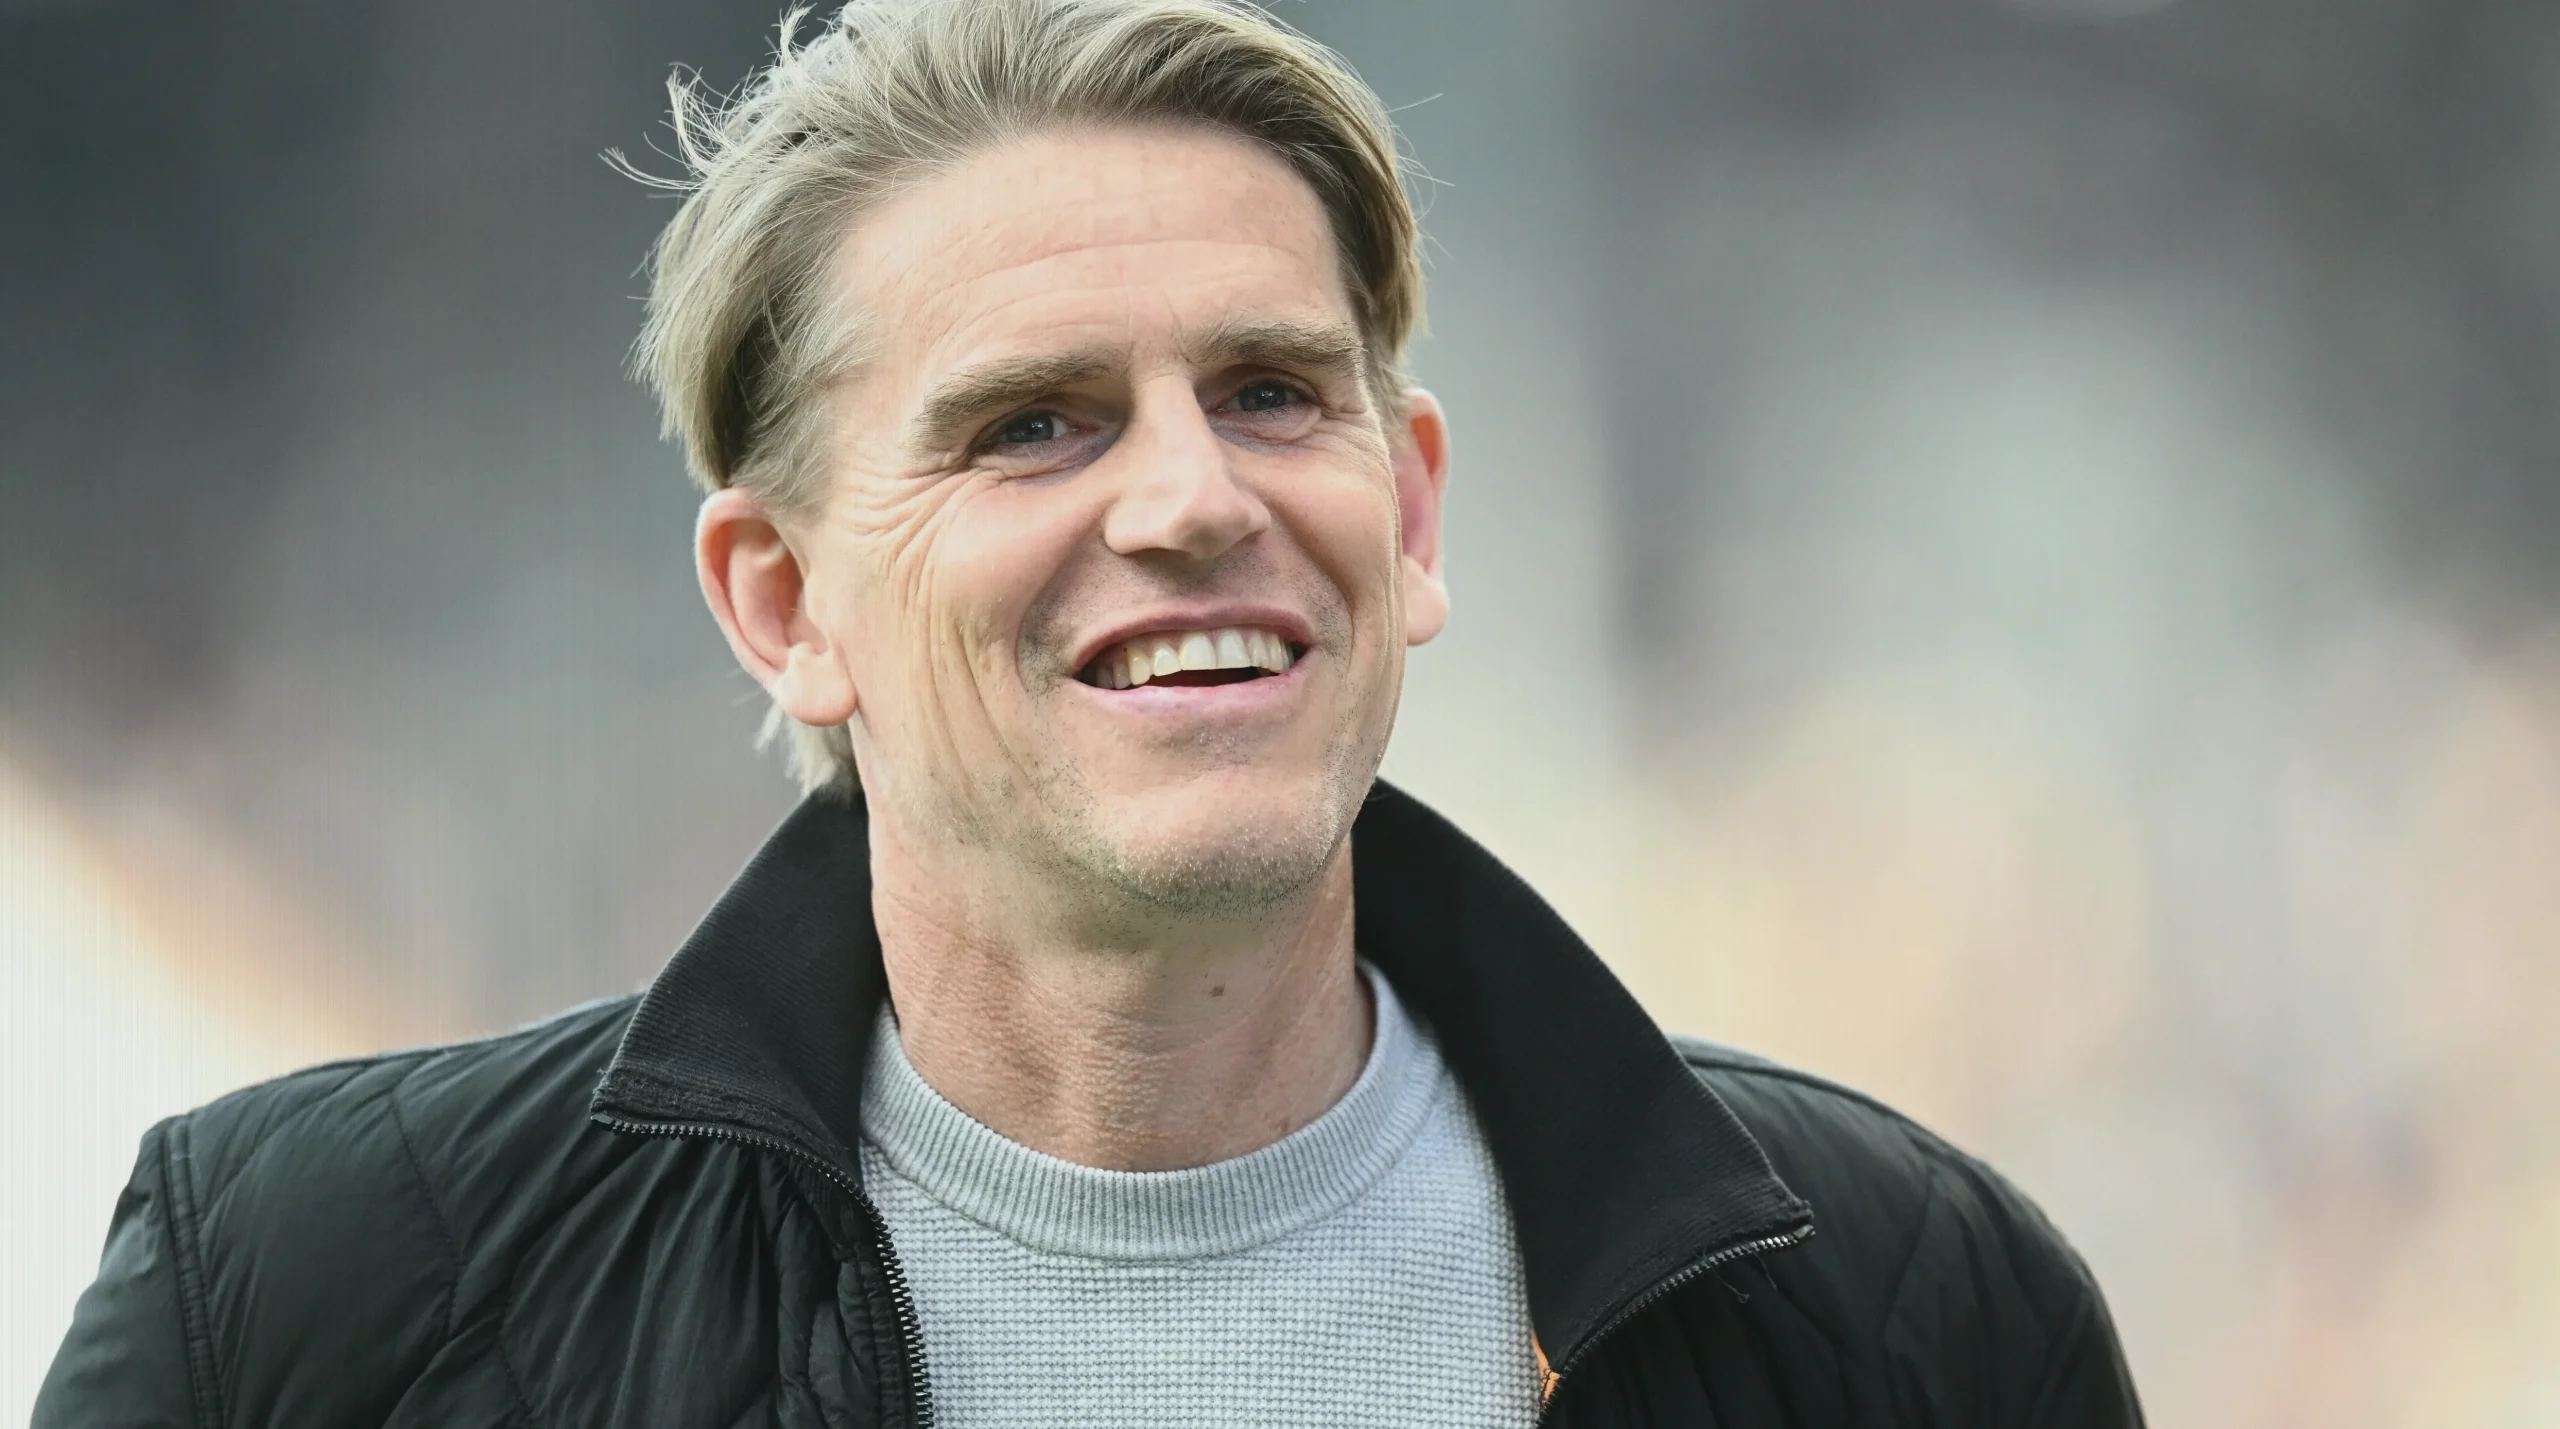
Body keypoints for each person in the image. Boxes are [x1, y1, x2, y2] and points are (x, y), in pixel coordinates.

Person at [36, 0, 2146, 1424]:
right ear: (783, 602)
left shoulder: (1911, 1314)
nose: (1192, 499)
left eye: (1269, 393)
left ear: (1410, 510)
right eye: (1033, 424)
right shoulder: (305, 1304)